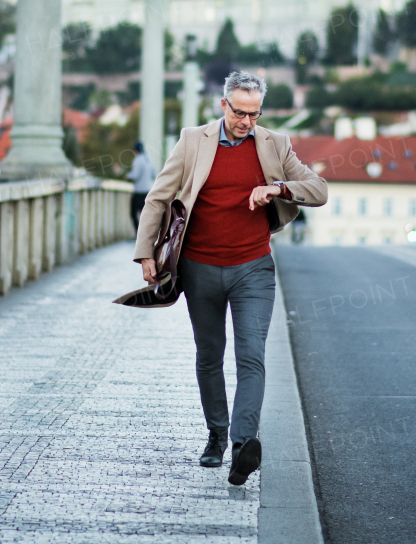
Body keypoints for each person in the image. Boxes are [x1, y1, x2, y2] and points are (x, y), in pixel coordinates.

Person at [133, 70, 327, 485]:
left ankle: (243, 446)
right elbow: (158, 197)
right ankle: (216, 436)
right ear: (223, 105)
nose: (247, 122)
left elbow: (319, 189)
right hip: (199, 269)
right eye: (240, 113)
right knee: (209, 356)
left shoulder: (276, 144)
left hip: (253, 269)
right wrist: (145, 253)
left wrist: (278, 187)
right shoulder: (192, 141)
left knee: (252, 356)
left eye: (255, 114)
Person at [125, 141, 156, 231]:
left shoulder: (137, 160)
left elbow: (135, 175)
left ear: (135, 151)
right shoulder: (148, 160)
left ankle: (139, 233)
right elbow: (154, 174)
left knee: (133, 213)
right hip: (147, 191)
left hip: (138, 192)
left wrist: (128, 176)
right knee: (145, 215)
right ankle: (146, 233)